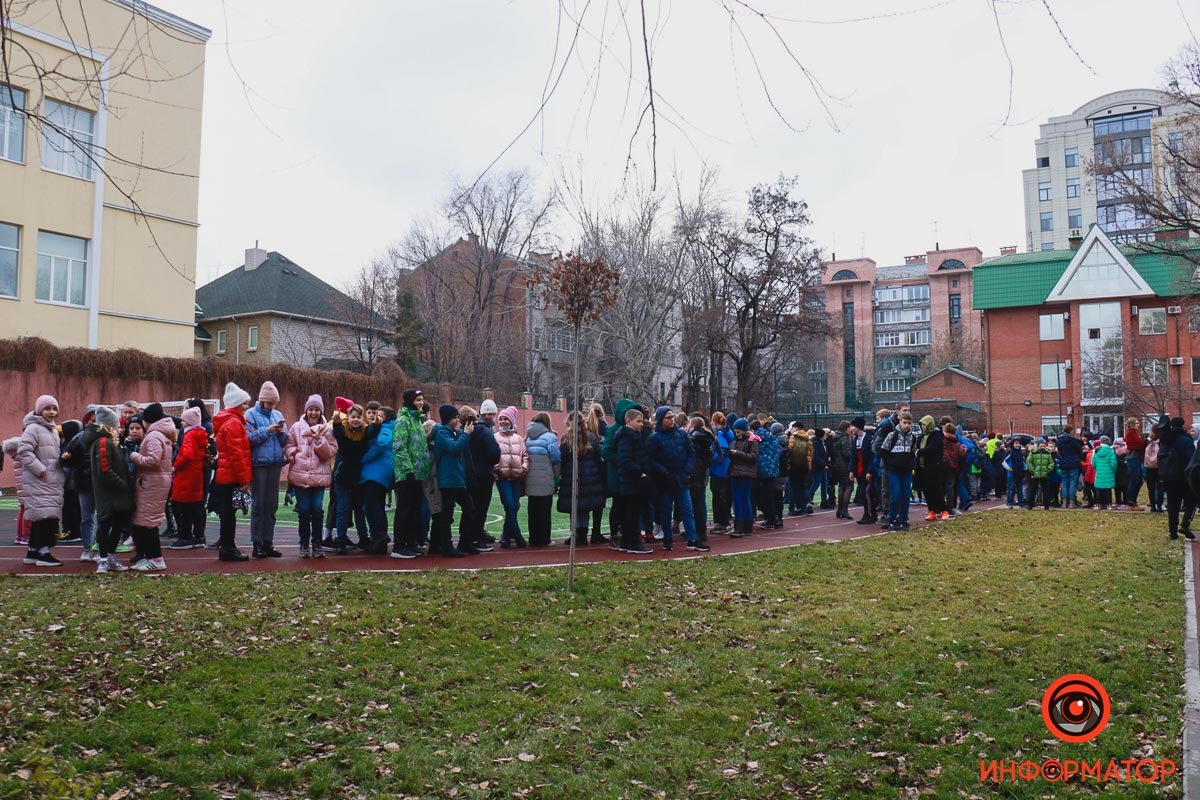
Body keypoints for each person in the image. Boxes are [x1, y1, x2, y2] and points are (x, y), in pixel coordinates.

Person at [647, 406, 710, 552]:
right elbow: (652, 459)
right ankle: (667, 539)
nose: (672, 420)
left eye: (672, 417)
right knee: (666, 510)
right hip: (666, 480)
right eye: (668, 418)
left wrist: (686, 470)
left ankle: (692, 539)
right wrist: (664, 472)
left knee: (687, 509)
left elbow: (691, 452)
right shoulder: (654, 438)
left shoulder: (682, 435)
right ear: (661, 419)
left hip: (681, 478)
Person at [285, 395, 337, 558]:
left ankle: (317, 542)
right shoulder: (296, 427)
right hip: (300, 476)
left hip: (319, 477)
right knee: (304, 510)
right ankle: (304, 542)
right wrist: (293, 453)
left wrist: (320, 441)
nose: (313, 413)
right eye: (311, 409)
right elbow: (289, 444)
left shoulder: (327, 430)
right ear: (306, 411)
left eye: (316, 410)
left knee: (317, 509)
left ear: (321, 412)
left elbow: (331, 451)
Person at [17, 395, 65, 567]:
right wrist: (41, 469)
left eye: (54, 408)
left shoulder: (51, 429)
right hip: (41, 480)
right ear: (39, 410)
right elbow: (23, 451)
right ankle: (44, 553)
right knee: (45, 517)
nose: (51, 412)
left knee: (42, 516)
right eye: (47, 408)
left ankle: (32, 551)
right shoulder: (34, 428)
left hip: (50, 480)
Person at [128, 403, 176, 572]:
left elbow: (153, 460)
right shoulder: (162, 434)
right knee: (145, 520)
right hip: (156, 482)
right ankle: (148, 557)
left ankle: (156, 558)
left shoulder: (154, 435)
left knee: (148, 522)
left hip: (152, 483)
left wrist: (133, 455)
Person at [244, 381, 289, 558]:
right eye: (269, 403)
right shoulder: (250, 414)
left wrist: (282, 432)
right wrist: (267, 430)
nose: (272, 406)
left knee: (271, 504)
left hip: (275, 463)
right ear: (262, 400)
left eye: (274, 403)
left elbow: (285, 441)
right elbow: (248, 439)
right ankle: (257, 543)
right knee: (259, 504)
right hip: (258, 464)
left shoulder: (278, 414)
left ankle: (268, 542)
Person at [210, 383, 252, 562]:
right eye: (244, 403)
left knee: (227, 512)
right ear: (236, 404)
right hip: (231, 475)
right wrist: (244, 479)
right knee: (229, 514)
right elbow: (237, 454)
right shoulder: (234, 423)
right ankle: (228, 547)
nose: (247, 407)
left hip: (225, 473)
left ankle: (227, 546)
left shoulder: (226, 421)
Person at [88, 406, 132, 573]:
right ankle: (104, 559)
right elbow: (105, 470)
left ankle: (111, 557)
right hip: (109, 494)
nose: (119, 429)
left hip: (115, 494)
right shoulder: (103, 442)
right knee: (105, 526)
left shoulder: (112, 443)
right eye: (116, 426)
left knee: (117, 525)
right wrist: (123, 485)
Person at [332, 404, 379, 555]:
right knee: (343, 509)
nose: (356, 420)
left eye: (359, 417)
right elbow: (338, 432)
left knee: (360, 509)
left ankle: (363, 539)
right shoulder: (343, 428)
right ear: (348, 417)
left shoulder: (365, 430)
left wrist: (377, 425)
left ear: (362, 418)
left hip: (358, 475)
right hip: (342, 476)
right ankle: (341, 541)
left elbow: (372, 432)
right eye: (353, 417)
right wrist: (336, 423)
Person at [558, 411, 608, 547]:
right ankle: (583, 534)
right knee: (585, 506)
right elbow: (598, 457)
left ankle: (575, 534)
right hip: (589, 476)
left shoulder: (566, 439)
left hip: (572, 476)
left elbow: (563, 459)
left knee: (574, 507)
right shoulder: (591, 437)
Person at [392, 388, 431, 559]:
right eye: (417, 400)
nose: (421, 403)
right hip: (407, 474)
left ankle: (411, 543)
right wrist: (408, 469)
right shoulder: (403, 420)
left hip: (418, 474)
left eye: (422, 400)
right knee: (404, 510)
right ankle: (399, 546)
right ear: (409, 401)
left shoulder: (417, 420)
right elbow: (399, 447)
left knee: (414, 510)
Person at [429, 404, 472, 557]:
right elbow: (454, 449)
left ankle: (463, 542)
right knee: (447, 514)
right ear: (448, 418)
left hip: (456, 478)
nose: (457, 420)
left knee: (469, 508)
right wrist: (466, 434)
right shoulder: (441, 433)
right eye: (455, 418)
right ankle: (446, 546)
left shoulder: (451, 432)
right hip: (448, 479)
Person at [168, 405, 209, 550]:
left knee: (183, 507)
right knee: (195, 507)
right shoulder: (201, 434)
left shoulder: (189, 435)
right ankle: (199, 536)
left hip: (186, 476)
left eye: (184, 421)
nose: (182, 423)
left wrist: (175, 466)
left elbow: (187, 454)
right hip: (196, 475)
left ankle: (185, 537)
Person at [614, 406, 655, 554]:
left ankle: (627, 542)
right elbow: (625, 459)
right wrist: (640, 472)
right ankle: (632, 542)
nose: (641, 424)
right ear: (628, 421)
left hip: (632, 480)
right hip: (632, 480)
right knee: (632, 513)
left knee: (630, 512)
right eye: (638, 421)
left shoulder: (632, 436)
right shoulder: (627, 437)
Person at [358, 405, 396, 555]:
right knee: (376, 505)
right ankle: (378, 538)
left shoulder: (386, 429)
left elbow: (380, 445)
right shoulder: (386, 427)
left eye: (379, 414)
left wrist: (361, 460)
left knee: (372, 505)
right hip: (378, 472)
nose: (375, 416)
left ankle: (379, 536)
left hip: (376, 472)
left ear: (387, 417)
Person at [493, 405, 529, 548]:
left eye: (506, 419)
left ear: (511, 421)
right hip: (502, 478)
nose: (503, 421)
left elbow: (525, 456)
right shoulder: (495, 437)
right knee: (509, 505)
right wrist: (497, 470)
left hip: (517, 478)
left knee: (514, 506)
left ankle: (506, 536)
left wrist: (523, 469)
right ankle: (518, 535)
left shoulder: (519, 439)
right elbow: (491, 456)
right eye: (501, 419)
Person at [468, 401, 501, 548]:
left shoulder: (469, 428)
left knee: (472, 507)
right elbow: (494, 453)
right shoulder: (486, 431)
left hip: (470, 472)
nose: (491, 416)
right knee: (481, 507)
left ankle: (474, 534)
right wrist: (491, 464)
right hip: (483, 473)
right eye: (490, 414)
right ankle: (476, 537)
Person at [524, 412, 561, 547]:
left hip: (530, 479)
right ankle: (544, 539)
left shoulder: (527, 437)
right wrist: (557, 476)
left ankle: (533, 538)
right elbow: (556, 458)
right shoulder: (550, 437)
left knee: (532, 510)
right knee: (544, 511)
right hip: (545, 479)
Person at [877, 412, 916, 531]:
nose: (907, 425)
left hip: (906, 471)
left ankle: (903, 519)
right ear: (900, 422)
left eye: (909, 423)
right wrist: (891, 463)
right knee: (896, 494)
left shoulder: (913, 437)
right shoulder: (892, 435)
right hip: (894, 470)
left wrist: (911, 464)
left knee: (906, 494)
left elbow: (913, 453)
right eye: (905, 423)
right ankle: (892, 518)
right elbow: (883, 451)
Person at [1159, 416, 1196, 540]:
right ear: (1183, 425)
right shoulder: (1186, 440)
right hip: (1184, 477)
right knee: (1191, 501)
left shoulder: (1165, 440)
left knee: (1173, 505)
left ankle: (1173, 532)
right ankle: (1185, 525)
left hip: (1168, 477)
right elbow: (1191, 459)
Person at [728, 418, 760, 537]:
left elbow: (753, 457)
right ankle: (741, 525)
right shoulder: (737, 441)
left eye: (738, 431)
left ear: (744, 430)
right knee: (738, 499)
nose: (737, 434)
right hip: (736, 472)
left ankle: (744, 526)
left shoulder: (753, 441)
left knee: (744, 499)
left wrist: (737, 453)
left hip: (746, 473)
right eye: (736, 432)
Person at [688, 416, 716, 542]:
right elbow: (710, 457)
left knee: (693, 503)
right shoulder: (708, 438)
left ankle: (694, 530)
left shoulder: (693, 439)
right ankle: (701, 530)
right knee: (700, 502)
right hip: (703, 473)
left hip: (694, 474)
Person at [915, 415, 947, 521]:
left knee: (937, 489)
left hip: (934, 467)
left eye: (924, 425)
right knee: (926, 490)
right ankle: (931, 511)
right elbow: (916, 448)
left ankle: (944, 510)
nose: (922, 427)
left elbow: (933, 448)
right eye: (921, 425)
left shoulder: (937, 435)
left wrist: (919, 452)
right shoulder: (921, 437)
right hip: (922, 467)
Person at [708, 411, 733, 534]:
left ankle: (723, 523)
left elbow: (721, 453)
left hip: (719, 471)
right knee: (723, 496)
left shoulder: (719, 435)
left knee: (719, 497)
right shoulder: (727, 433)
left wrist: (710, 457)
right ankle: (724, 522)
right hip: (724, 470)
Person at [830, 420, 854, 520]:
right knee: (849, 487)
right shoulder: (844, 439)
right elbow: (847, 454)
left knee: (841, 487)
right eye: (849, 427)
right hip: (845, 466)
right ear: (846, 428)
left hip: (837, 465)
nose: (851, 429)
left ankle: (839, 510)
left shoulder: (835, 438)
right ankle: (844, 510)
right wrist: (853, 456)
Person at [787, 424, 813, 516]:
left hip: (793, 466)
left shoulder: (793, 437)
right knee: (803, 486)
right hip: (804, 465)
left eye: (793, 427)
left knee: (792, 487)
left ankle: (792, 507)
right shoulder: (807, 438)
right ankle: (806, 503)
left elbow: (789, 449)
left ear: (796, 428)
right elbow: (810, 453)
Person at [1056, 426, 1083, 508]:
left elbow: (1059, 452)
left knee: (1064, 483)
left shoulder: (1059, 441)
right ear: (1070, 431)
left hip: (1063, 463)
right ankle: (1071, 502)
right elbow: (1079, 451)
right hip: (1073, 463)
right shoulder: (1074, 441)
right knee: (1073, 483)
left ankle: (1064, 502)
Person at [1026, 439, 1055, 510]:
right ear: (1038, 445)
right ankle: (1030, 505)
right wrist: (1032, 470)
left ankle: (1047, 505)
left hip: (1045, 474)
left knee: (1046, 491)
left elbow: (1051, 463)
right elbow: (1028, 462)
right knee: (1032, 490)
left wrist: (1048, 469)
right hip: (1035, 474)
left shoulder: (1047, 453)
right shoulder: (1033, 452)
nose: (1043, 445)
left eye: (1044, 444)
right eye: (1041, 444)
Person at [1123, 420, 1146, 510]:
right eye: (1136, 423)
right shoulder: (1130, 434)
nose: (1138, 425)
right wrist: (1146, 441)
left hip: (1137, 458)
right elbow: (1138, 445)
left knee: (1139, 480)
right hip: (1133, 458)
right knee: (1134, 480)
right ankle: (1130, 501)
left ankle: (1133, 500)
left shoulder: (1134, 434)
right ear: (1131, 424)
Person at [1091, 436, 1118, 511]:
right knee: (1107, 490)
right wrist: (1113, 471)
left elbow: (1093, 463)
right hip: (1109, 473)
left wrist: (1097, 469)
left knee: (1098, 489)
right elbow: (1114, 463)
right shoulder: (1111, 451)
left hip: (1099, 472)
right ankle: (1108, 505)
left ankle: (1098, 504)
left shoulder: (1096, 451)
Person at [808, 428, 831, 510]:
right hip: (818, 467)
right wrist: (824, 464)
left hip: (820, 466)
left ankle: (824, 501)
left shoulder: (817, 442)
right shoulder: (816, 443)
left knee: (823, 483)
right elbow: (816, 456)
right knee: (817, 483)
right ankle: (807, 498)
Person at [1145, 429, 1163, 513]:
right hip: (1159, 467)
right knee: (1160, 487)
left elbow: (1142, 446)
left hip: (1149, 467)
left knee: (1151, 487)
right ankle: (1159, 505)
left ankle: (1152, 506)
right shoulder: (1161, 442)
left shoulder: (1148, 442)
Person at [1004, 439, 1026, 508]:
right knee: (1011, 489)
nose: (1018, 445)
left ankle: (1021, 503)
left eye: (1019, 443)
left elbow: (1023, 462)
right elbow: (1003, 461)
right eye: (1016, 443)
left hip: (1020, 473)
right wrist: (1009, 468)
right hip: (1012, 474)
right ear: (1012, 444)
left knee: (1020, 489)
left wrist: (1025, 467)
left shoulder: (1020, 453)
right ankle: (1009, 503)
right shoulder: (1010, 452)